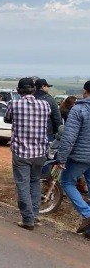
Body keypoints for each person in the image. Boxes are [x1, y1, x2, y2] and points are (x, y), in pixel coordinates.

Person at [4, 77, 51, 230]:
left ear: (19, 91)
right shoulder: (45, 104)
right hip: (40, 152)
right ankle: (35, 214)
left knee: (22, 185)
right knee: (35, 182)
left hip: (21, 152)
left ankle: (28, 219)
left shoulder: (14, 104)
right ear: (34, 89)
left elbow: (7, 119)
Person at [56, 80, 90, 235]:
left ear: (85, 91)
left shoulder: (79, 109)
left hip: (79, 156)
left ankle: (87, 214)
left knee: (67, 181)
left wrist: (62, 157)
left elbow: (69, 137)